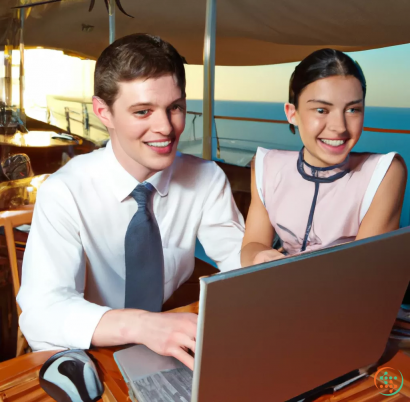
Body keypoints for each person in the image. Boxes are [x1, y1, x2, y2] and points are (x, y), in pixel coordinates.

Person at [17, 34, 244, 370]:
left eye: (175, 108)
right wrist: (144, 325)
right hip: (88, 351)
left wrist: (271, 265)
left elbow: (238, 260)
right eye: (143, 111)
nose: (165, 128)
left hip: (164, 348)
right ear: (102, 112)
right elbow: (42, 313)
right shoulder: (64, 191)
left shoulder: (206, 178)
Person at [241, 48, 407, 267]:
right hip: (279, 291)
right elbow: (252, 244)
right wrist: (258, 256)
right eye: (321, 110)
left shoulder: (385, 173)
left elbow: (363, 273)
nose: (339, 127)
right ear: (292, 113)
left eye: (353, 110)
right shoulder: (267, 166)